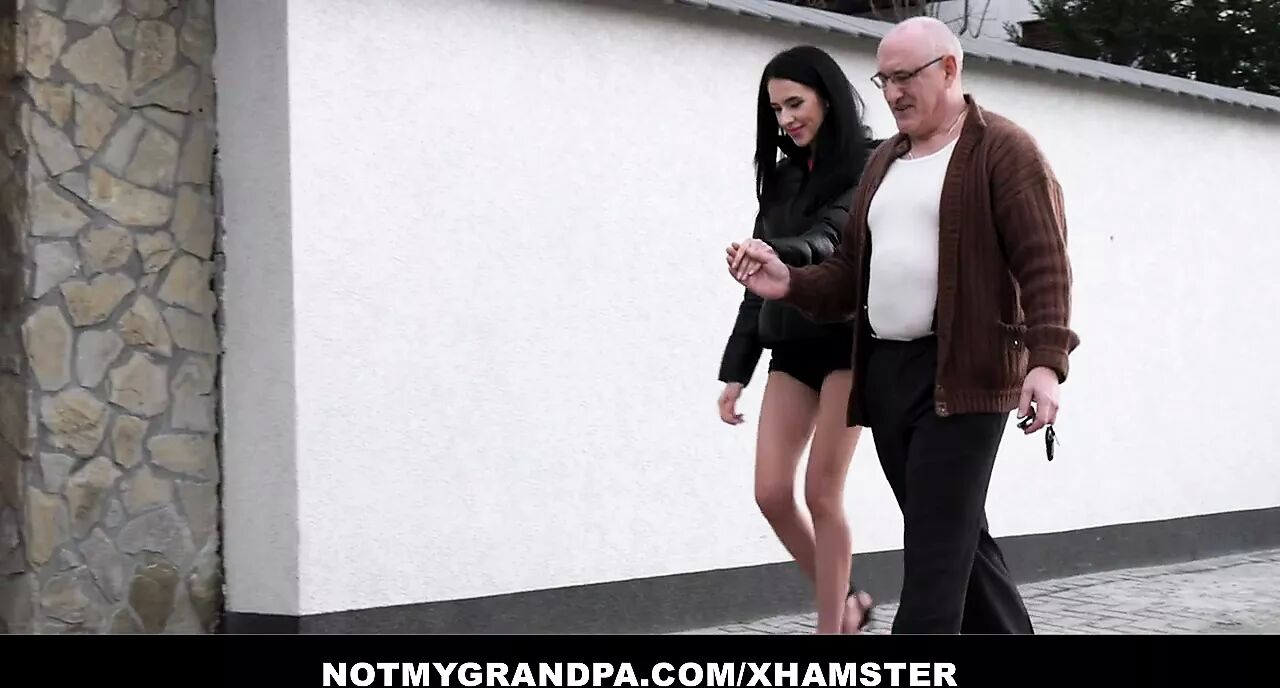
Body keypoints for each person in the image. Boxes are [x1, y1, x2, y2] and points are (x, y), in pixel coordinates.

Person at [725, 17, 1080, 634]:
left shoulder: (1003, 150)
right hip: (889, 377)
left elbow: (1044, 262)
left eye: (905, 77)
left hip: (964, 377)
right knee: (959, 541)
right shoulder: (886, 161)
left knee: (934, 559)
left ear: (949, 69)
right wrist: (790, 283)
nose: (892, 93)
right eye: (883, 80)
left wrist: (1046, 363)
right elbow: (848, 273)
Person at [717, 45, 879, 635]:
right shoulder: (783, 179)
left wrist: (778, 253)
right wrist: (736, 369)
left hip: (847, 345)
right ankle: (849, 600)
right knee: (770, 492)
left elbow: (833, 236)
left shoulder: (870, 163)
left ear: (827, 99)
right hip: (791, 348)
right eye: (776, 110)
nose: (785, 119)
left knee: (821, 494)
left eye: (795, 103)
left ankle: (832, 631)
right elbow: (755, 288)